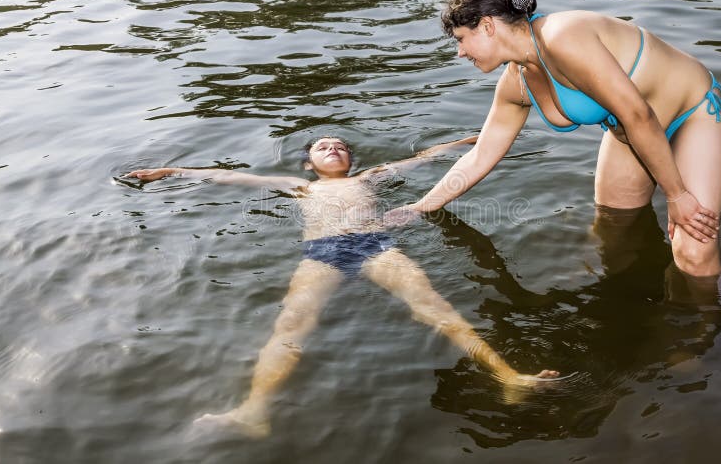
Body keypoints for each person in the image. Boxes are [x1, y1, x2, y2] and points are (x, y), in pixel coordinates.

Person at [125, 136, 559, 437]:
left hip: (375, 245)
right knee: (291, 326)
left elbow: (425, 157)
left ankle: (509, 377)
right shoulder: (298, 186)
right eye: (322, 147)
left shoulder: (370, 177)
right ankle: (252, 411)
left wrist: (468, 143)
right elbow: (228, 177)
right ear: (308, 163)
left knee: (435, 308)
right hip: (322, 253)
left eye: (340, 147)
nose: (333, 149)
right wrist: (172, 172)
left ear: (351, 159)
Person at [387, 0, 721, 277]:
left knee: (693, 252)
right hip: (630, 136)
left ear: (488, 25)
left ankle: (717, 335)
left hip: (692, 114)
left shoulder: (562, 36)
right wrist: (420, 207)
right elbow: (480, 156)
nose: (460, 52)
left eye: (461, 38)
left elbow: (638, 114)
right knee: (613, 227)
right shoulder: (515, 84)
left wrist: (677, 195)